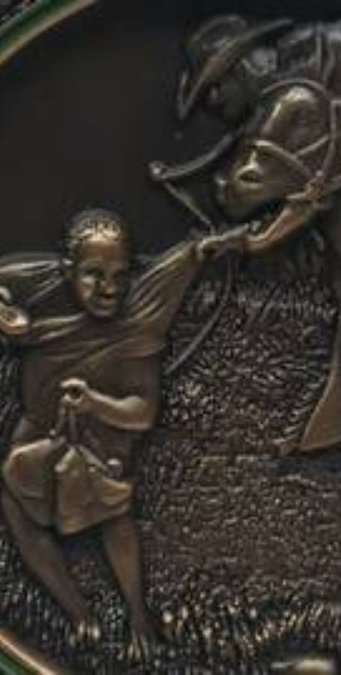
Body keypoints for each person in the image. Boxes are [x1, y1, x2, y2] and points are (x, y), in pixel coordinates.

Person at [0, 209, 242, 659]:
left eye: (118, 275)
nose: (107, 288)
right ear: (67, 271)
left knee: (114, 518)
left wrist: (96, 404)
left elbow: (142, 412)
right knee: (15, 507)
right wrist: (8, 317)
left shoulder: (137, 329)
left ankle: (137, 618)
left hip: (102, 444)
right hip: (37, 428)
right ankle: (77, 611)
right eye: (93, 275)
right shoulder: (42, 287)